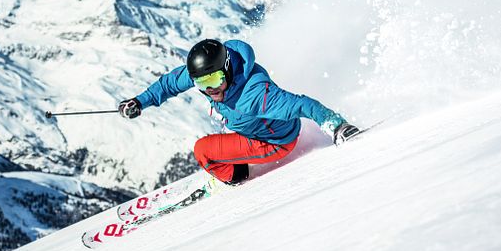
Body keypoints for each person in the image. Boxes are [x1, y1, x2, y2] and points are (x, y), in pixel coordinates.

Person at [118, 39, 360, 186]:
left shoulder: (254, 95)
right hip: (255, 127)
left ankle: (238, 176)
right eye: (202, 84)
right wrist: (140, 102)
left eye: (214, 80)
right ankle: (237, 158)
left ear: (226, 70)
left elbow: (302, 105)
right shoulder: (207, 71)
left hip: (273, 142)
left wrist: (337, 126)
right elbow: (169, 83)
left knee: (203, 151)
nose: (210, 89)